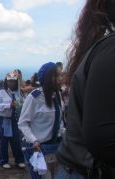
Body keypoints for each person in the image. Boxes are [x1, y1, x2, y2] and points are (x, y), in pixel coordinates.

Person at [56, 0, 115, 178]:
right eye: (55, 75)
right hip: (84, 171)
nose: (59, 78)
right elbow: (104, 139)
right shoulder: (110, 50)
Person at [19, 62, 65, 179]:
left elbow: (59, 120)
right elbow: (22, 123)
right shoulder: (35, 97)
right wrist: (34, 141)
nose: (61, 79)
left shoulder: (58, 95)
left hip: (55, 145)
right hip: (38, 147)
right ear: (49, 78)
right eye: (57, 76)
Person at [0, 72, 25, 169]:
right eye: (10, 81)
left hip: (13, 119)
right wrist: (9, 105)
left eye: (14, 81)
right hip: (2, 119)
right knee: (4, 140)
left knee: (16, 139)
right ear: (6, 81)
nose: (12, 83)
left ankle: (19, 160)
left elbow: (21, 102)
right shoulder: (0, 92)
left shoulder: (17, 92)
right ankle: (3, 160)